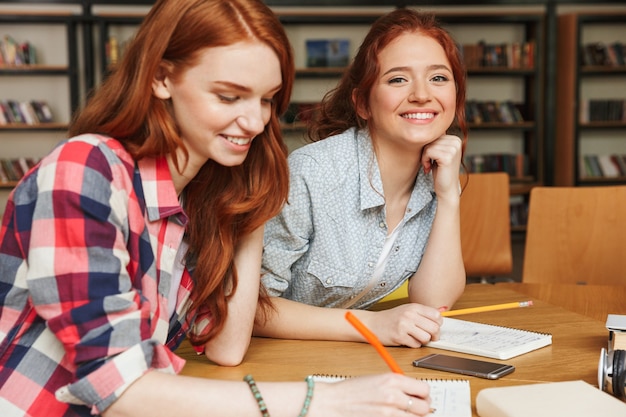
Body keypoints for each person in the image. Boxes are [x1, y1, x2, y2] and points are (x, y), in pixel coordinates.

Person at [0, 1, 434, 416]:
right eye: (229, 97)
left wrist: (255, 204)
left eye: (267, 99)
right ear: (161, 78)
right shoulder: (85, 172)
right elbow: (121, 391)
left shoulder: (199, 196)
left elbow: (225, 347)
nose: (255, 122)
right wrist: (324, 401)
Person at [257, 8, 467, 348]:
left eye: (438, 78)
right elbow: (254, 308)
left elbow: (433, 304)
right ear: (363, 103)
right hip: (275, 358)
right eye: (398, 79)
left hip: (345, 357)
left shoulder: (436, 177)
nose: (422, 94)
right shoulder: (313, 172)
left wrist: (449, 198)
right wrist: (371, 326)